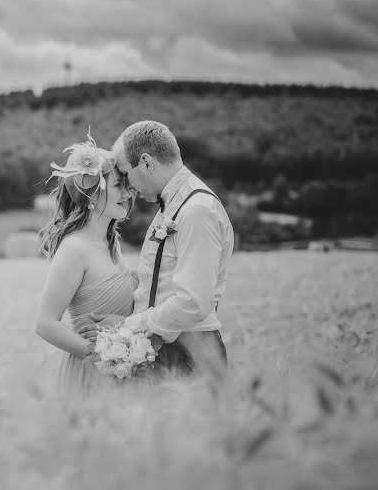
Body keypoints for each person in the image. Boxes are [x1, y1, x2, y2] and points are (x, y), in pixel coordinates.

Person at [82, 120, 233, 377]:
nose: (128, 188)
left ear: (146, 162)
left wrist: (127, 325)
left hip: (191, 352)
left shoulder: (196, 210)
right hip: (168, 350)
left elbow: (193, 303)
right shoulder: (172, 206)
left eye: (126, 174)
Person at [34, 133, 135, 397]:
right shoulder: (74, 249)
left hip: (122, 373)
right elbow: (45, 323)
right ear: (92, 196)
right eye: (119, 186)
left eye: (127, 185)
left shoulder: (111, 243)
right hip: (92, 375)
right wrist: (103, 357)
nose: (128, 192)